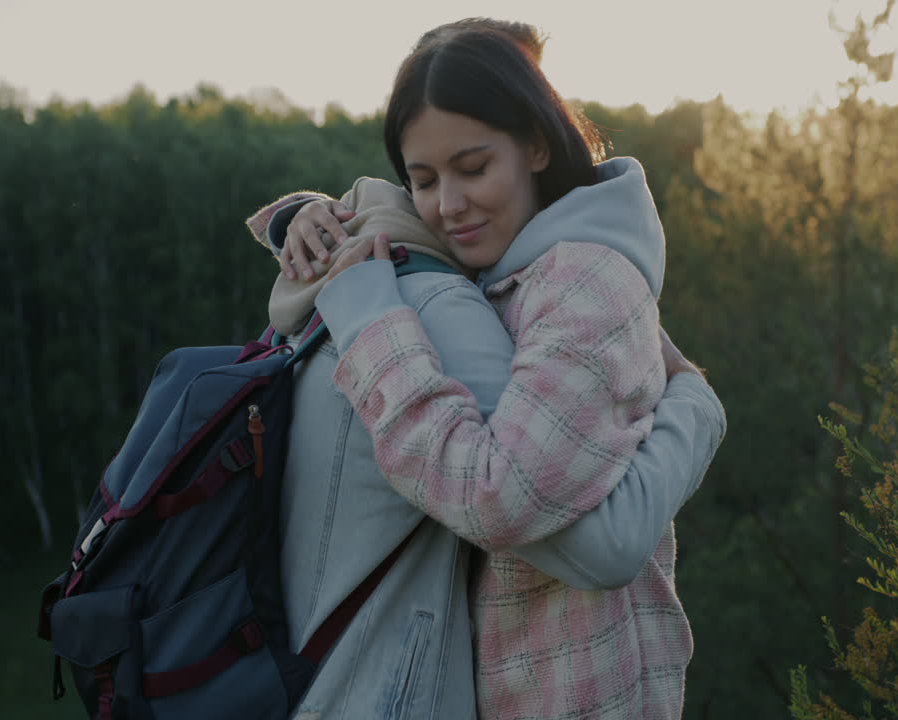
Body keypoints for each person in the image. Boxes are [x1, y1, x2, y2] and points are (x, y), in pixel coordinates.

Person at [245, 19, 724, 720]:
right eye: (424, 179)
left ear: (536, 142)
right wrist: (306, 217)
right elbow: (399, 216)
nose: (449, 205)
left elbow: (502, 497)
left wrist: (375, 331)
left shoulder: (582, 282)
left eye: (473, 169)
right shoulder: (512, 264)